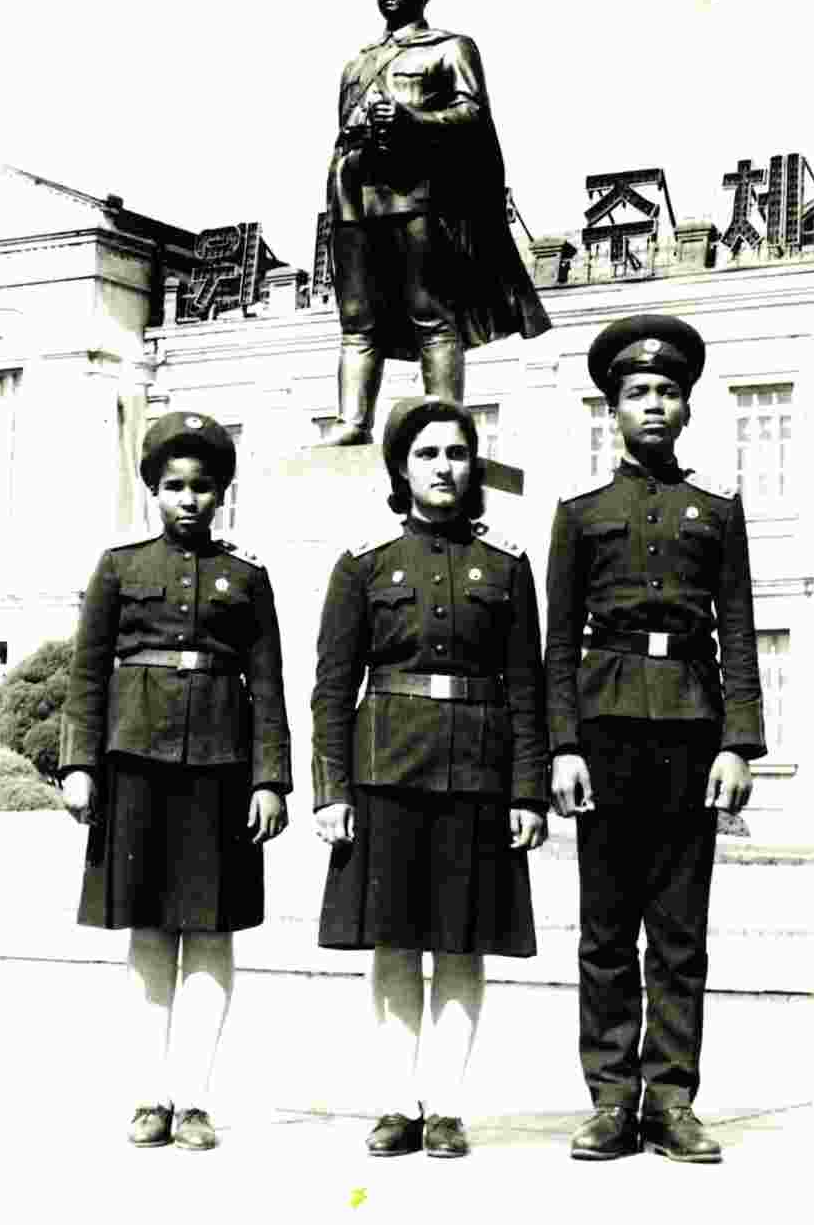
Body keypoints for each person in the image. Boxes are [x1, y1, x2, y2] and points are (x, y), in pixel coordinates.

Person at [545, 314, 766, 1165]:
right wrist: (563, 745)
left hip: (689, 730)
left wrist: (739, 744)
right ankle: (610, 1097)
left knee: (679, 929)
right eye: (638, 392)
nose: (654, 405)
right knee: (605, 927)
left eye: (669, 392)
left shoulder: (716, 510)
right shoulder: (581, 513)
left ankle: (670, 1097)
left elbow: (738, 631)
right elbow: (560, 640)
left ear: (687, 408)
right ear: (613, 409)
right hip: (603, 733)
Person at [312, 397, 548, 1157]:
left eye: (456, 452)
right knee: (393, 942)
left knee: (460, 942)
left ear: (473, 463)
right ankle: (394, 1102)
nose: (444, 466)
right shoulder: (362, 561)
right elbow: (331, 686)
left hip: (477, 774)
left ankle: (444, 1104)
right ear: (401, 467)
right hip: (386, 772)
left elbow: (528, 685)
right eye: (427, 453)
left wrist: (527, 790)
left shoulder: (508, 563)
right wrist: (332, 791)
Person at [59, 411, 292, 1150]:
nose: (188, 498)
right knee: (150, 935)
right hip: (136, 766)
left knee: (212, 935)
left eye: (202, 486)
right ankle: (147, 1095)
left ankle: (194, 1098)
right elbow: (88, 671)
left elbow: (268, 685)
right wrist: (78, 763)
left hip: (221, 773)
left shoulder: (248, 576)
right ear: (154, 490)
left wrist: (271, 779)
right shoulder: (119, 567)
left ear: (221, 491)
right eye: (173, 486)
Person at [320, 0, 550, 445]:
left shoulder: (449, 49)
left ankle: (443, 420)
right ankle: (353, 422)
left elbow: (472, 118)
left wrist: (411, 122)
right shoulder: (357, 63)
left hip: (414, 194)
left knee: (431, 312)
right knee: (358, 318)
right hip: (352, 197)